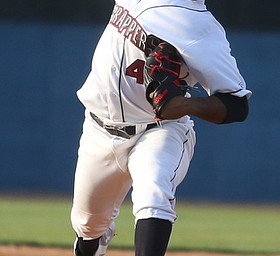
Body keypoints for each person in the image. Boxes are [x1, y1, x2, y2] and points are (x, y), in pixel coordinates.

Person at [70, 0, 252, 255]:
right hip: (99, 129)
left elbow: (237, 104)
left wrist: (185, 106)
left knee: (153, 194)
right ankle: (96, 239)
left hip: (158, 131)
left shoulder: (199, 26)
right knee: (88, 226)